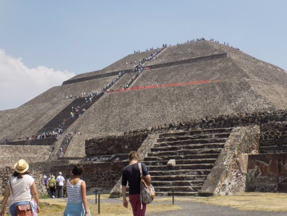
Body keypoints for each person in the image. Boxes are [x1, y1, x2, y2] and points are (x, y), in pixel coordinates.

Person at [122, 151, 151, 216]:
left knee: (135, 214)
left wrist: (124, 199)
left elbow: (123, 186)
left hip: (132, 195)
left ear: (129, 159)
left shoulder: (125, 170)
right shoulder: (141, 165)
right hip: (141, 194)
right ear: (137, 158)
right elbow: (148, 177)